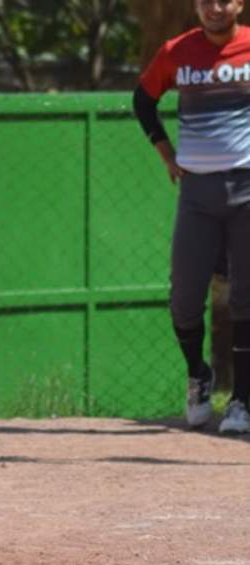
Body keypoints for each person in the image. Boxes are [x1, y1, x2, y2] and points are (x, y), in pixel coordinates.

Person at [132, 0, 250, 433]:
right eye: (205, 1)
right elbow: (143, 101)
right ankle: (199, 374)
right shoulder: (176, 51)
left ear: (240, 4)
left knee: (245, 298)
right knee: (184, 297)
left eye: (223, 0)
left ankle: (241, 401)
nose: (214, 8)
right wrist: (166, 153)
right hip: (197, 193)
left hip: (247, 188)